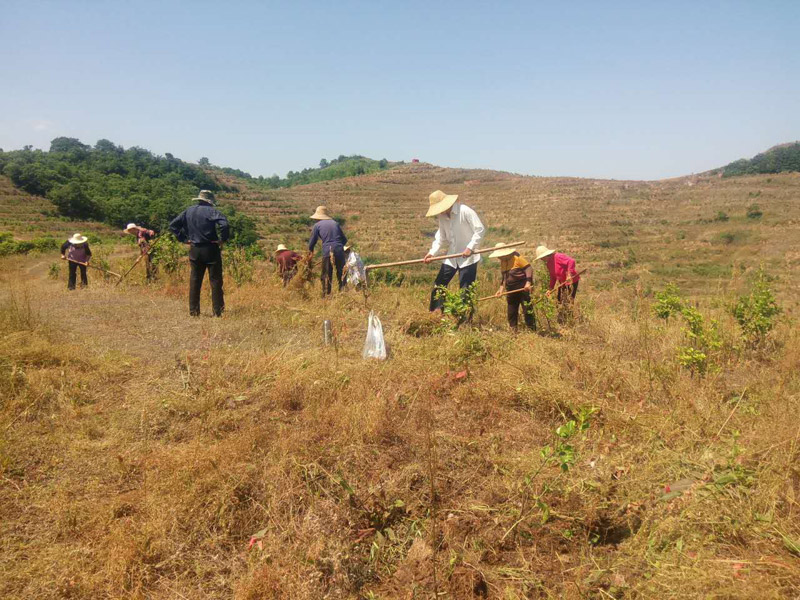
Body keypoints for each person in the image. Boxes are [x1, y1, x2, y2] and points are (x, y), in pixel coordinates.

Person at [169, 190, 229, 317]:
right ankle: (218, 312)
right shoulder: (212, 211)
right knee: (216, 281)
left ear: (199, 199)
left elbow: (173, 225)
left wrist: (184, 239)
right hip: (211, 248)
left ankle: (194, 311)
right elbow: (224, 225)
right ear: (210, 201)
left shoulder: (188, 211)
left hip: (194, 249)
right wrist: (222, 239)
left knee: (195, 280)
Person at [423, 190, 485, 312]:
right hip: (452, 256)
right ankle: (437, 314)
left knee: (465, 290)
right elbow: (441, 237)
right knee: (439, 285)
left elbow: (480, 229)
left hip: (469, 257)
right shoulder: (442, 217)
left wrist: (470, 247)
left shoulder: (465, 211)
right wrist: (432, 253)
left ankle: (465, 320)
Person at [490, 243, 536, 331]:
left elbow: (529, 268)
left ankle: (532, 330)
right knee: (511, 311)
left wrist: (528, 282)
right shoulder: (503, 262)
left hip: (522, 288)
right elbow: (504, 277)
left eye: (500, 256)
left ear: (505, 254)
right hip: (510, 289)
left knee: (527, 310)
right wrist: (500, 289)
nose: (498, 258)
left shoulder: (517, 257)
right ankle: (513, 330)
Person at [307, 205, 347, 296]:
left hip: (327, 251)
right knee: (341, 273)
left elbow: (312, 242)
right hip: (340, 250)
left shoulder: (317, 225)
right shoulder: (335, 223)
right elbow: (344, 240)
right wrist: (338, 248)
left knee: (326, 274)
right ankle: (343, 293)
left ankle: (326, 295)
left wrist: (310, 253)